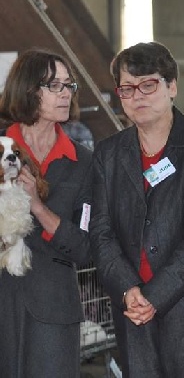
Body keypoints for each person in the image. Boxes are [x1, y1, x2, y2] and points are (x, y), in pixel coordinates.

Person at [88, 42, 184, 377]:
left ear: (172, 87)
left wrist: (156, 294)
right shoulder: (108, 154)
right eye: (127, 88)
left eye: (148, 85)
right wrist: (129, 290)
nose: (137, 96)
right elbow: (100, 230)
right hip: (132, 303)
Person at [0, 48, 93, 377]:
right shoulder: (0, 145)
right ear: (28, 89)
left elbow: (85, 247)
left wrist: (38, 208)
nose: (65, 94)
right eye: (55, 86)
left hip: (54, 309)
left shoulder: (82, 162)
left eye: (69, 85)